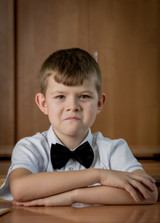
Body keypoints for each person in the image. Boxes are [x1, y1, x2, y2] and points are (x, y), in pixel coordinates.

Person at [0, 48, 158, 206]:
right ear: (43, 104)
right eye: (60, 96)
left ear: (99, 103)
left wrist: (73, 196)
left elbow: (148, 193)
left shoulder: (115, 149)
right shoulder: (30, 147)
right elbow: (20, 189)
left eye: (84, 96)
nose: (72, 106)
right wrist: (98, 175)